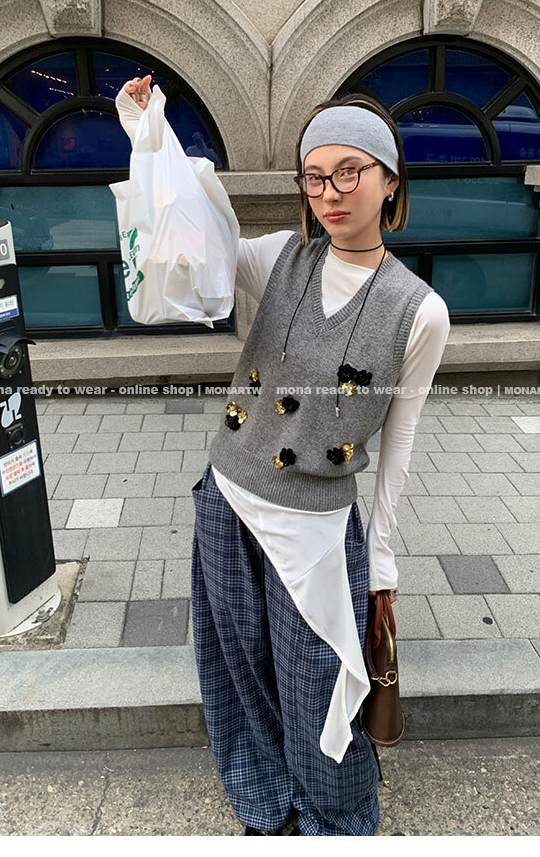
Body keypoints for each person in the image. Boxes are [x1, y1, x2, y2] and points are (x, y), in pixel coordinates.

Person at [116, 76, 450, 836]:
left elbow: (399, 443)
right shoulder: (277, 259)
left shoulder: (420, 311)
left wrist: (384, 565)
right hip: (228, 497)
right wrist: (151, 139)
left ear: (390, 181)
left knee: (315, 679)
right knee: (238, 664)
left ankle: (334, 815)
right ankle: (266, 801)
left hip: (316, 526)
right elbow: (189, 245)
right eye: (315, 176)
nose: (329, 193)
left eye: (349, 172)